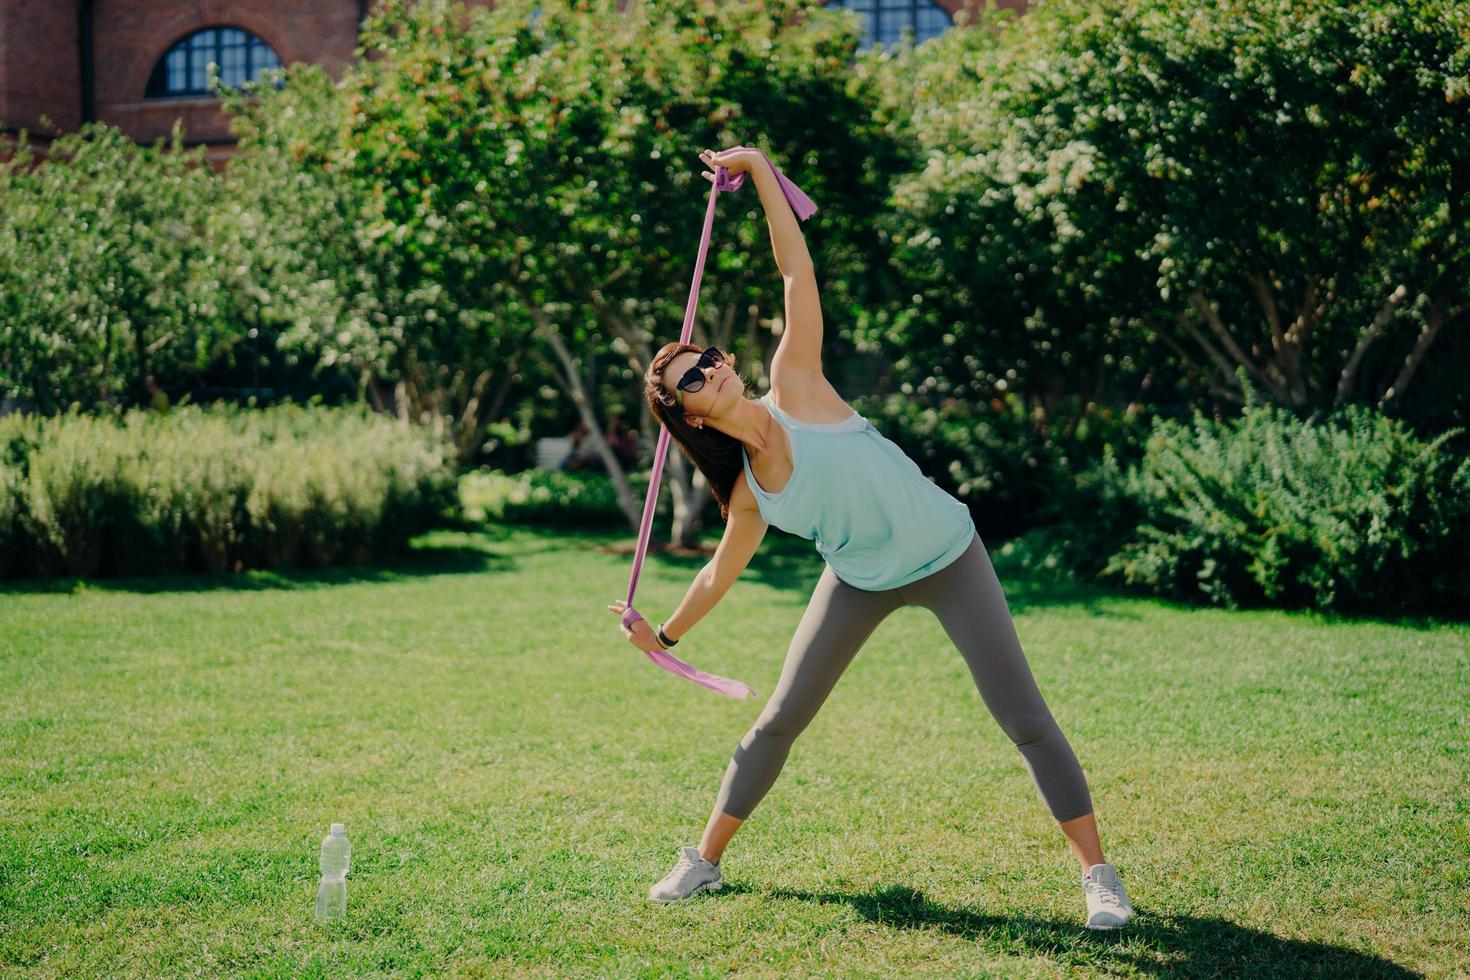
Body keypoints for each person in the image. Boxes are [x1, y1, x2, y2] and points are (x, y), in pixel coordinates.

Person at [606, 146, 1135, 930]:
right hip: (859, 578)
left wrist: (758, 173)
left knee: (1024, 717)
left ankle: (1100, 877)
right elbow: (720, 571)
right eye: (692, 377)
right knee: (780, 718)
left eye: (709, 356)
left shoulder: (797, 385)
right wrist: (666, 636)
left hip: (949, 554)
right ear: (686, 415)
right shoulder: (748, 493)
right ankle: (704, 862)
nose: (711, 368)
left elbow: (796, 276)